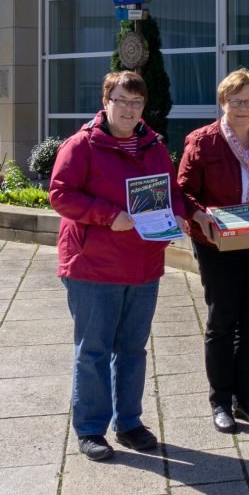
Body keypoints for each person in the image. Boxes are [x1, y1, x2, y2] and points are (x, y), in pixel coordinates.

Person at [49, 71, 189, 461]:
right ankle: (91, 429)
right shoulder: (82, 146)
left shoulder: (154, 146)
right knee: (93, 349)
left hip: (143, 264)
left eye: (136, 102)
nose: (129, 109)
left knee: (132, 349)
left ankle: (129, 423)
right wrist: (109, 215)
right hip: (93, 266)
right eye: (122, 100)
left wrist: (177, 215)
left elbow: (172, 192)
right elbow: (60, 195)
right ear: (106, 101)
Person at [177, 68, 249, 434]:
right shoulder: (203, 141)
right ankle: (220, 400)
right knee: (222, 321)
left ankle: (246, 397)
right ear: (223, 102)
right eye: (235, 101)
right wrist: (199, 215)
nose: (243, 108)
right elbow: (184, 190)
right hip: (217, 244)